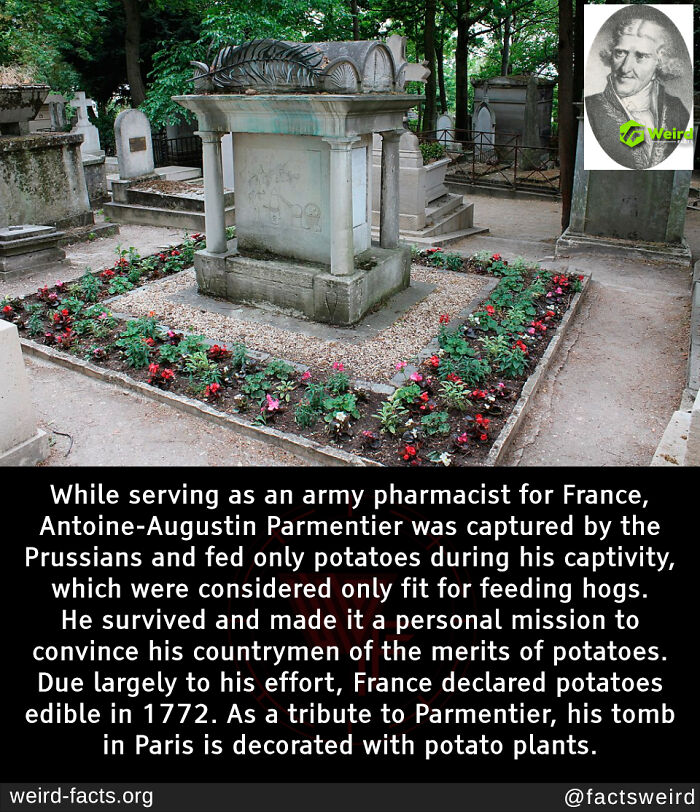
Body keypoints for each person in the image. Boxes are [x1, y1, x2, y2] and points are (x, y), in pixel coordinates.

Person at [585, 14, 690, 169]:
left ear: (659, 62)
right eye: (620, 53)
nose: (625, 68)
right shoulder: (591, 109)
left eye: (641, 56)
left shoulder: (677, 109)